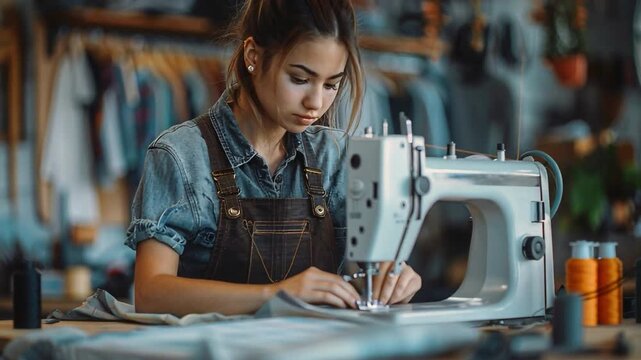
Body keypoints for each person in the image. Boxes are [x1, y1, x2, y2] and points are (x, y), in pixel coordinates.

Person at [126, 0, 421, 316]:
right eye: (299, 79)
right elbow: (151, 293)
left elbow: (368, 272)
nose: (315, 102)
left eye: (332, 84)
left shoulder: (335, 155)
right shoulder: (182, 155)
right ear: (253, 56)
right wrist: (277, 294)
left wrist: (394, 278)